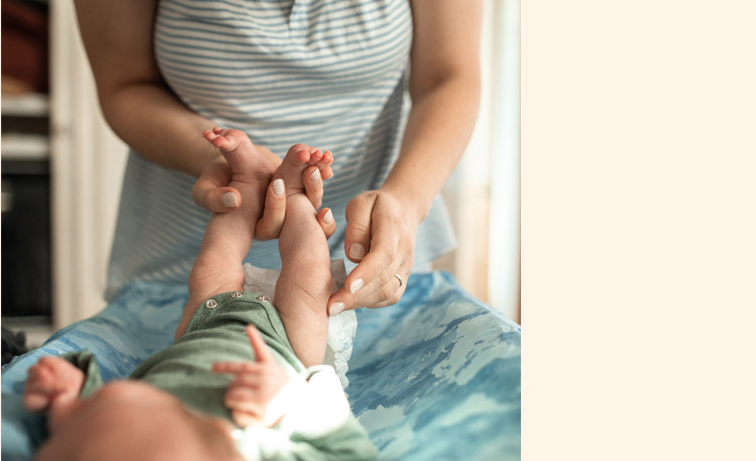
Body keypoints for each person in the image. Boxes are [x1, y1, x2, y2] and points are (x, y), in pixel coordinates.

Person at [23, 132, 378, 461]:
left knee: (213, 266)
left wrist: (66, 397)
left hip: (199, 330)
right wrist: (290, 403)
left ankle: (245, 185)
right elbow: (351, 459)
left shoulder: (110, 455)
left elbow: (97, 426)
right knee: (308, 275)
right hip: (284, 349)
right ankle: (295, 196)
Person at [73, 0, 482, 315]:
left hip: (366, 272)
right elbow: (124, 85)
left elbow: (450, 76)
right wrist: (222, 158)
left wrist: (407, 201)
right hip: (176, 277)